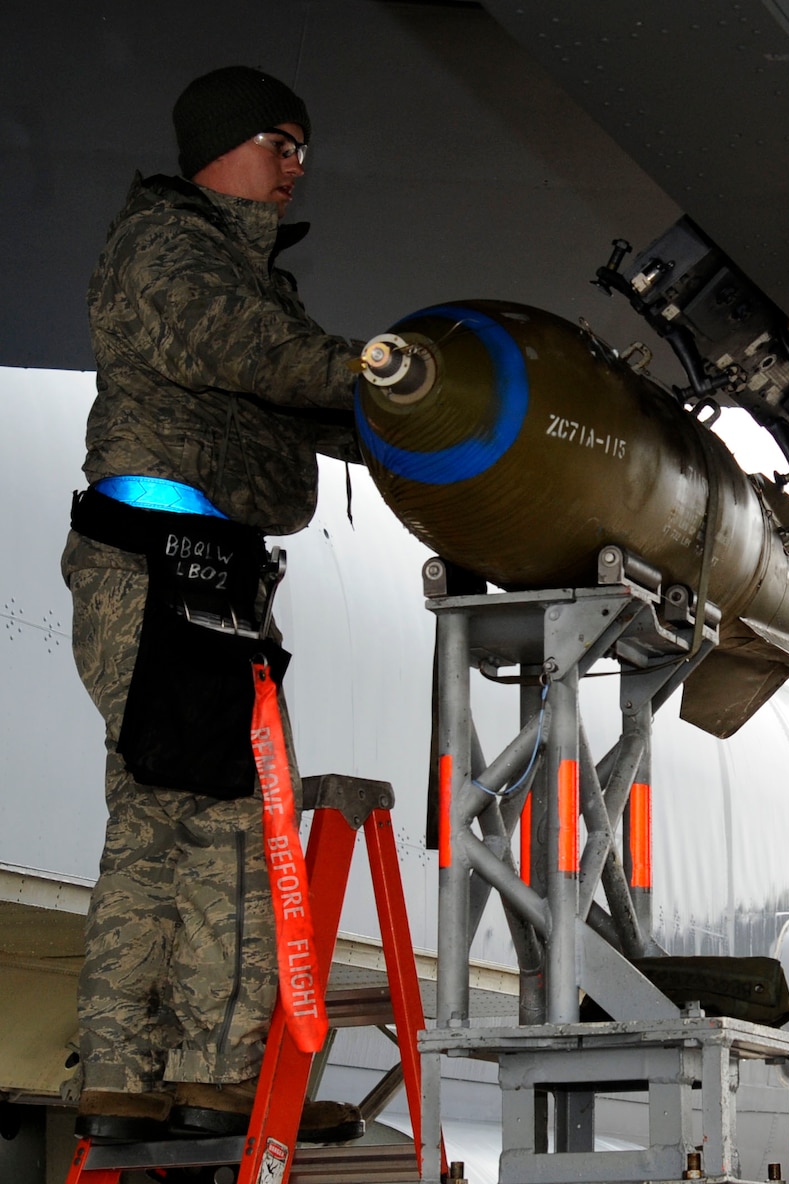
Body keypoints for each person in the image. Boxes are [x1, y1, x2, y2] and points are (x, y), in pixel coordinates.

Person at [62, 65, 365, 1143]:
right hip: (166, 570)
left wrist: (408, 419)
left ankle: (124, 1076)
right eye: (280, 143)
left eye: (302, 149)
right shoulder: (173, 248)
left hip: (185, 569)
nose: (295, 167)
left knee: (158, 814)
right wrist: (387, 368)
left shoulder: (234, 270)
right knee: (237, 816)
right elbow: (263, 356)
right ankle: (220, 1078)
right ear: (219, 146)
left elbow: (297, 400)